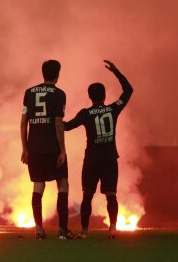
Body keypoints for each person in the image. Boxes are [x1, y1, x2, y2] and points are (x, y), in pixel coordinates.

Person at [63, 60, 133, 239]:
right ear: (104, 95)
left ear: (90, 96)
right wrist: (116, 72)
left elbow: (67, 127)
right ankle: (113, 228)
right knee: (111, 195)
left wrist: (53, 119)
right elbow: (128, 91)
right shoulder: (112, 109)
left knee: (87, 195)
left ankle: (85, 232)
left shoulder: (85, 113)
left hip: (92, 160)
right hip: (109, 159)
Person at [21, 60, 78, 239]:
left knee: (38, 186)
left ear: (43, 73)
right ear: (57, 74)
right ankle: (62, 230)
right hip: (52, 147)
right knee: (62, 184)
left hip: (35, 148)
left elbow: (24, 122)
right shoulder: (59, 94)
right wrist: (62, 150)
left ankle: (38, 229)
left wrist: (25, 148)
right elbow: (58, 123)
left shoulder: (29, 93)